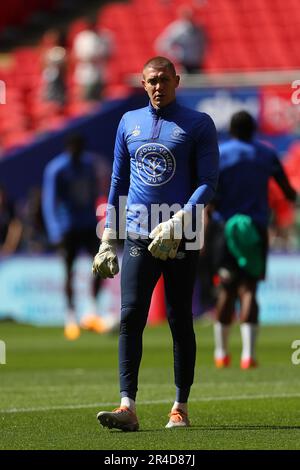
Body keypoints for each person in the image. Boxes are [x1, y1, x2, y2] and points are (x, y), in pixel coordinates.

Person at [92, 56, 219, 431]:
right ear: (141, 82)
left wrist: (181, 220)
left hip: (182, 232)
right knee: (131, 315)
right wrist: (107, 238)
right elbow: (119, 182)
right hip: (138, 230)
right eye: (151, 81)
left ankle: (180, 406)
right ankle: (127, 406)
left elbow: (209, 181)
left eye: (164, 79)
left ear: (177, 81)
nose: (158, 86)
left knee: (180, 317)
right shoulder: (127, 122)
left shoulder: (199, 123)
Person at [211, 111, 298, 369]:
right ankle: (248, 355)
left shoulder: (221, 154)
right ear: (254, 129)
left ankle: (221, 353)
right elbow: (286, 190)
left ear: (232, 130)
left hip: (225, 227)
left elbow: (209, 190)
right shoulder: (266, 153)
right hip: (256, 228)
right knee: (249, 289)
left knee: (226, 288)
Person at [42, 134, 105, 340]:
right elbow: (49, 201)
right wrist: (54, 230)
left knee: (100, 263)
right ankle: (70, 317)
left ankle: (92, 310)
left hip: (87, 223)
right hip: (67, 225)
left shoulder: (88, 165)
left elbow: (95, 191)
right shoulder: (57, 168)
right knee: (68, 270)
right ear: (69, 148)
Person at [155, 5, 207, 74]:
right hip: (184, 63)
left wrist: (202, 54)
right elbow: (163, 44)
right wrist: (175, 55)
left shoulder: (198, 28)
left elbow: (203, 43)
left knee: (198, 82)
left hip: (197, 62)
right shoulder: (177, 29)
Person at [72, 18, 113, 102]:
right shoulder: (81, 37)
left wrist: (100, 57)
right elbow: (76, 56)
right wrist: (89, 58)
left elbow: (110, 54)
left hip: (101, 73)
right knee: (86, 101)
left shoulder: (105, 35)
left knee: (101, 101)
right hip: (85, 75)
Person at [0, 185, 23, 256]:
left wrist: (7, 248)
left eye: (2, 195)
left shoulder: (10, 209)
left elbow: (16, 227)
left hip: (8, 250)